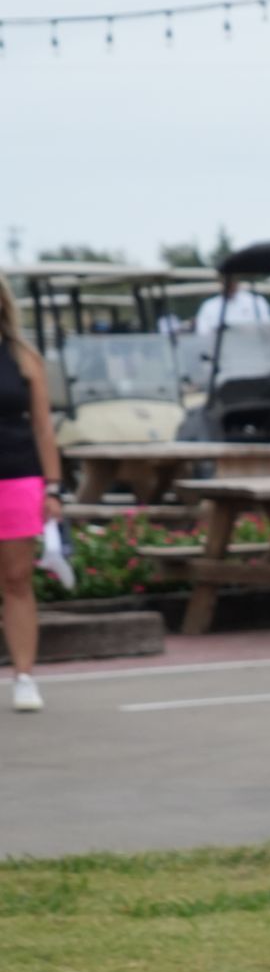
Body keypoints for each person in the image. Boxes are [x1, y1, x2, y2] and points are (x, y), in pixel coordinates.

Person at [0, 275, 63, 714]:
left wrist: (54, 487)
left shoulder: (23, 357)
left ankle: (24, 675)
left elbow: (43, 427)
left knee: (17, 579)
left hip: (18, 477)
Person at [194, 267, 270, 333]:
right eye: (226, 278)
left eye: (232, 278)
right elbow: (203, 334)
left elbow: (268, 330)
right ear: (220, 280)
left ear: (238, 279)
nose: (229, 282)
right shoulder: (208, 306)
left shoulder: (257, 302)